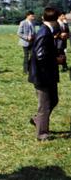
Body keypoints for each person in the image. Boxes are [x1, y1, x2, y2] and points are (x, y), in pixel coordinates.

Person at [28, 7, 63, 141]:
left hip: (47, 76)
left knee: (53, 100)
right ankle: (42, 134)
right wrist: (56, 59)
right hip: (42, 76)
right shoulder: (44, 32)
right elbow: (40, 55)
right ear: (56, 19)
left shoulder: (47, 31)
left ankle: (38, 120)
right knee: (45, 105)